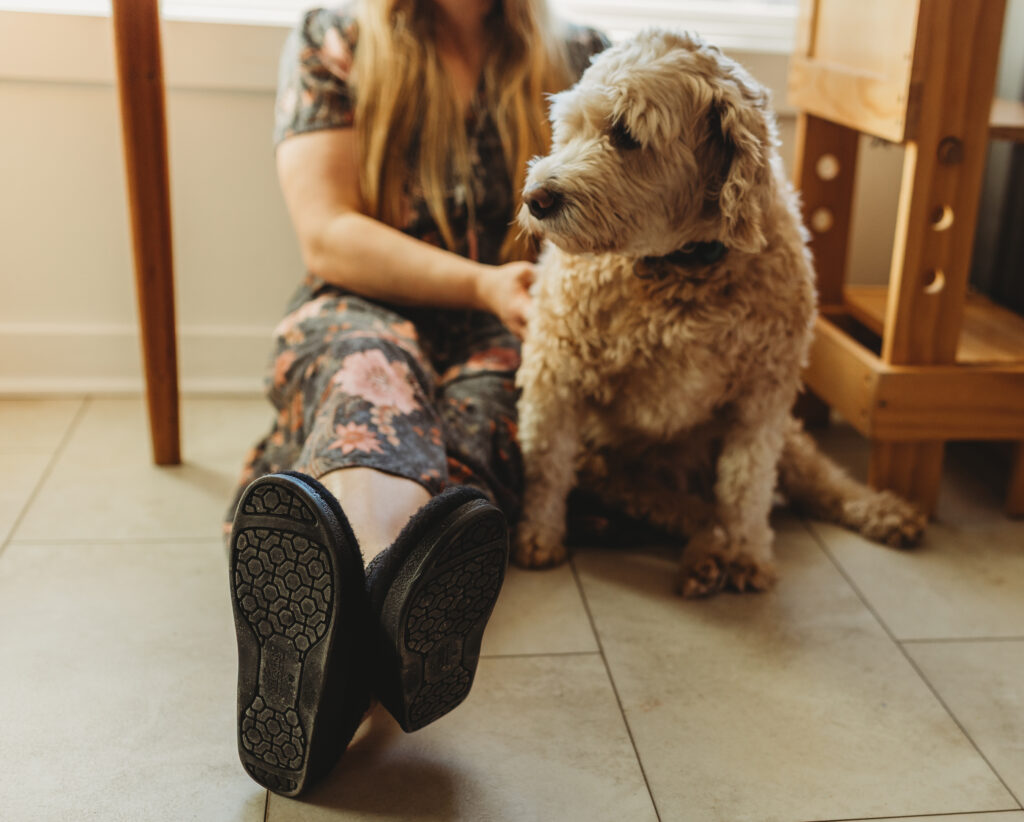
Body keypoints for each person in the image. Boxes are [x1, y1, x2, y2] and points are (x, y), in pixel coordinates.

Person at [226, 0, 608, 797]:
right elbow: (328, 232)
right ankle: (370, 625)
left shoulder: (583, 58)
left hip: (514, 323)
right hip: (362, 301)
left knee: (493, 427)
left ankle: (330, 672)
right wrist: (480, 282)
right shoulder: (337, 38)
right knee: (368, 372)